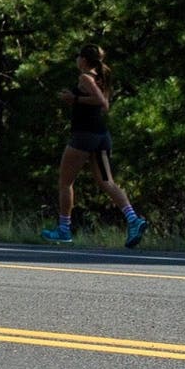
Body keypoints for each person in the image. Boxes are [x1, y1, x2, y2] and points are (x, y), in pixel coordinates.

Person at [40, 44, 147, 249]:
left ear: (83, 60)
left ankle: (64, 229)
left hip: (83, 137)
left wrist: (74, 98)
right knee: (107, 182)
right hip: (101, 137)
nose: (76, 59)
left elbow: (102, 103)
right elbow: (102, 102)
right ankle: (133, 219)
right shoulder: (101, 77)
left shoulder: (86, 78)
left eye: (78, 56)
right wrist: (79, 101)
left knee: (65, 182)